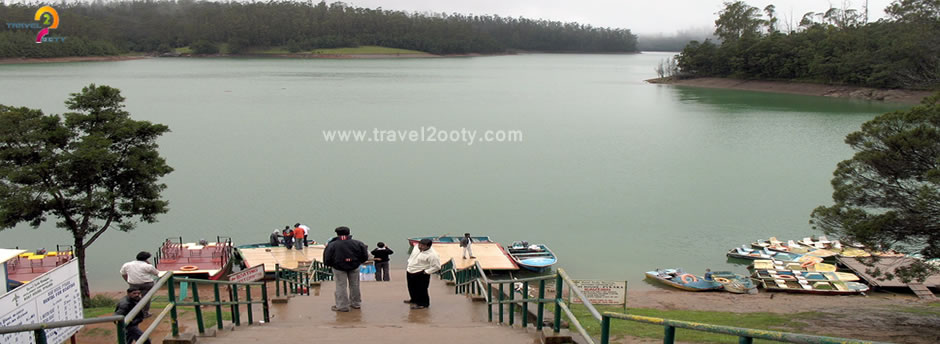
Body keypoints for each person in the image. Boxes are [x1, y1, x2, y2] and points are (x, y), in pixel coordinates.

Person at [322, 226, 368, 312]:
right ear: (349, 233)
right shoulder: (358, 243)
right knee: (355, 285)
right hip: (354, 265)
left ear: (337, 234)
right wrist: (359, 262)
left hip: (338, 267)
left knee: (341, 286)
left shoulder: (332, 244)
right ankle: (356, 303)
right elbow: (365, 255)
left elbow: (327, 257)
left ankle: (342, 306)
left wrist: (330, 264)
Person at [120, 251, 159, 317]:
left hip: (133, 284)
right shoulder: (147, 266)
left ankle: (131, 312)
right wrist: (149, 264)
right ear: (146, 259)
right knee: (146, 298)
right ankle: (145, 313)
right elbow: (156, 273)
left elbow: (123, 273)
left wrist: (127, 281)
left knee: (132, 298)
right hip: (146, 284)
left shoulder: (127, 265)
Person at [404, 238, 441, 309]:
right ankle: (414, 299)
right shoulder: (416, 247)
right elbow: (412, 248)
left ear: (428, 246)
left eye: (423, 245)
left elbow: (437, 267)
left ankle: (423, 304)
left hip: (421, 272)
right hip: (410, 270)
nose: (420, 246)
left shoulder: (433, 255)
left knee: (422, 289)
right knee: (411, 287)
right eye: (420, 244)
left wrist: (426, 272)